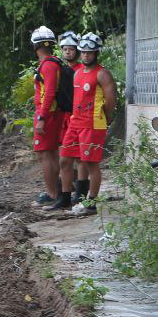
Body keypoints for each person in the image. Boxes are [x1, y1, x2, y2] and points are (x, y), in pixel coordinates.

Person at [59, 32, 117, 216]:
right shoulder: (77, 74)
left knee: (91, 164)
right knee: (65, 159)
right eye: (83, 52)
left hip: (93, 124)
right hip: (76, 123)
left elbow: (111, 100)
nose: (85, 55)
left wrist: (106, 117)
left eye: (89, 53)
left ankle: (90, 203)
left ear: (96, 53)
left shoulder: (102, 74)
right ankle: (67, 198)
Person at [29, 26, 69, 208]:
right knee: (50, 154)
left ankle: (52, 193)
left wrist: (42, 118)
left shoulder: (49, 65)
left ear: (35, 45)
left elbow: (50, 92)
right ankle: (55, 192)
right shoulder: (51, 63)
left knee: (46, 155)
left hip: (49, 115)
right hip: (50, 114)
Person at [58, 31, 90, 204]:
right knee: (65, 157)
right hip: (67, 119)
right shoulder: (62, 70)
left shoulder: (82, 71)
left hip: (80, 118)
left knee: (81, 157)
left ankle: (81, 194)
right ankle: (64, 195)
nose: (68, 52)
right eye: (65, 49)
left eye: (71, 49)